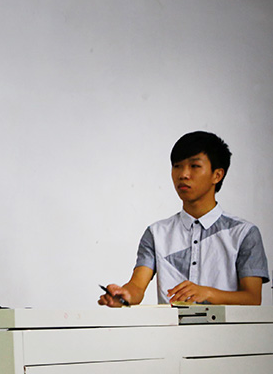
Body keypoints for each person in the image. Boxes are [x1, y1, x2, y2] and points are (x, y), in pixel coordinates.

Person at [99, 131, 269, 307]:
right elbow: (136, 286)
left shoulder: (243, 233)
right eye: (177, 166)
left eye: (194, 166)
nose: (183, 174)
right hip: (170, 326)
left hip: (226, 327)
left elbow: (252, 298)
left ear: (217, 175)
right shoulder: (156, 233)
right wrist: (124, 295)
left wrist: (208, 293)